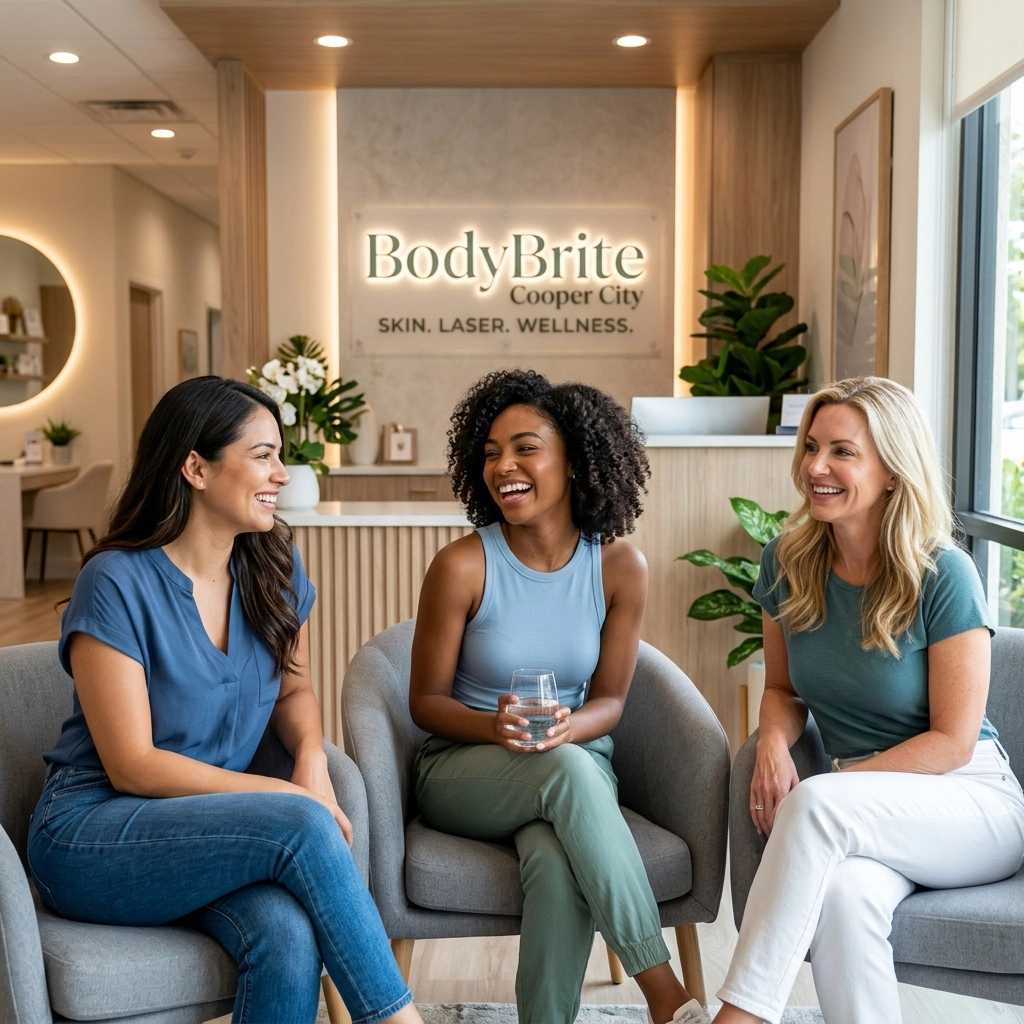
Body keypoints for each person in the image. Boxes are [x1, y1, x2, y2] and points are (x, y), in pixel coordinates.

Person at [28, 377, 421, 1024]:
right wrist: (287, 799)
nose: (283, 474)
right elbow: (132, 765)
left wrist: (310, 766)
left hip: (202, 830)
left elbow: (293, 687)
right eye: (263, 454)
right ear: (196, 467)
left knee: (288, 936)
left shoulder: (273, 569)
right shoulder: (117, 581)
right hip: (91, 835)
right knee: (300, 823)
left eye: (280, 455)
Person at [715, 377, 1024, 1024]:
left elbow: (953, 743)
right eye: (811, 447)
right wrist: (773, 742)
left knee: (820, 803)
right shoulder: (786, 562)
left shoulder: (943, 573)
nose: (816, 467)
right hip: (864, 807)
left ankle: (738, 1017)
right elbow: (780, 688)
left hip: (971, 801)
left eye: (843, 452)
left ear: (891, 470)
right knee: (845, 899)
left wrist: (838, 783)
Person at [409, 368, 709, 1024]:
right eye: (490, 453)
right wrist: (496, 728)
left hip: (571, 757)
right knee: (567, 773)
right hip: (465, 768)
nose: (503, 466)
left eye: (525, 448)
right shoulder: (462, 564)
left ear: (575, 461)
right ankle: (665, 995)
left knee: (556, 857)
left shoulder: (620, 566)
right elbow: (425, 702)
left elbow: (609, 702)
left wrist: (568, 731)